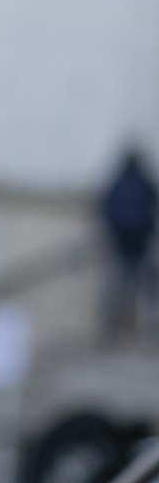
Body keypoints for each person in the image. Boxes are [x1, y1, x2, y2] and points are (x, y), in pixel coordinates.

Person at [99, 146, 158, 341]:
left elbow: (106, 207)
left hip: (122, 244)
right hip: (139, 244)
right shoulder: (144, 182)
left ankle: (116, 329)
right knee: (142, 289)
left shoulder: (119, 181)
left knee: (119, 286)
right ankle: (140, 331)